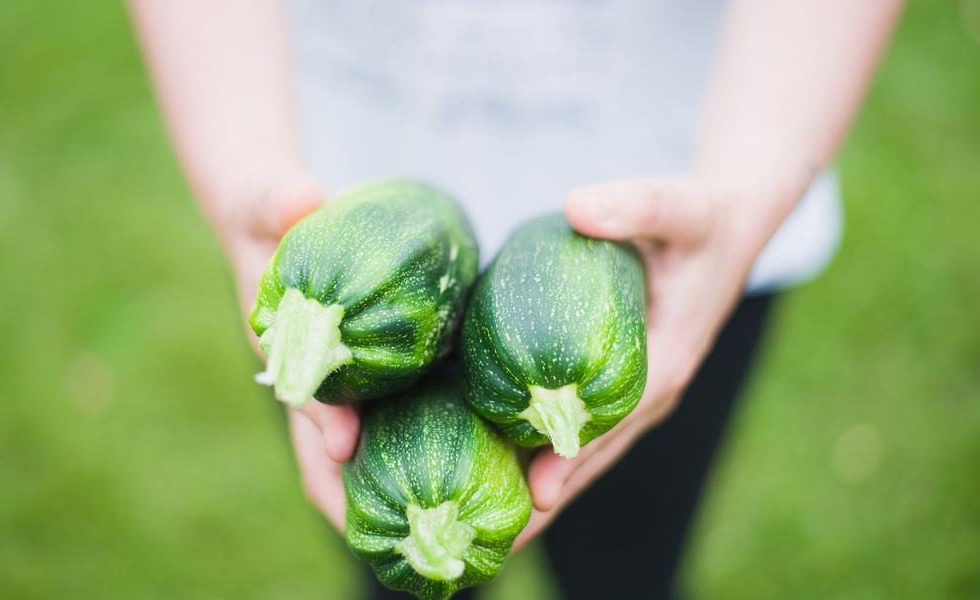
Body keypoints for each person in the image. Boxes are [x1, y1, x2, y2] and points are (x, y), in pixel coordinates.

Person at [128, 1, 902, 597]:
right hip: (337, 199)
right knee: (403, 570)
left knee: (630, 561)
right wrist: (241, 171)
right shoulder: (321, 288)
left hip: (693, 208)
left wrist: (747, 196)